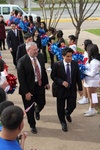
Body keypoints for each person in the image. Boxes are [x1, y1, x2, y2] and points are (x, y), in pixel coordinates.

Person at [17, 42, 50, 134]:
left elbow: (43, 70)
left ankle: (37, 110)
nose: (37, 51)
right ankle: (32, 125)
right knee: (29, 109)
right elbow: (21, 79)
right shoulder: (22, 61)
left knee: (42, 103)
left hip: (39, 85)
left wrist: (46, 83)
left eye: (37, 49)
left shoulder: (40, 57)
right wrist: (26, 92)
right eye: (34, 50)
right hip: (28, 88)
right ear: (28, 50)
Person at [51, 47, 83, 132]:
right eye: (67, 56)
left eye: (71, 56)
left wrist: (80, 88)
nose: (69, 58)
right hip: (61, 89)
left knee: (72, 105)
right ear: (63, 56)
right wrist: (61, 82)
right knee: (60, 107)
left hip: (71, 89)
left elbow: (77, 77)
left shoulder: (75, 64)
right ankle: (63, 122)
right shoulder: (57, 65)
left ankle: (67, 113)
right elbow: (53, 76)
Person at [84, 44, 100, 117]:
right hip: (89, 80)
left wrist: (83, 71)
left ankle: (92, 109)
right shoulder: (92, 60)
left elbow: (92, 73)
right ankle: (91, 108)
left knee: (92, 96)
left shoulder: (95, 62)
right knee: (92, 95)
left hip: (92, 81)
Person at [78, 39, 93, 104]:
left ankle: (93, 107)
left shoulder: (94, 60)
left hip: (92, 79)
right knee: (92, 93)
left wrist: (84, 71)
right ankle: (91, 106)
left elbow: (93, 71)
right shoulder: (87, 54)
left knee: (93, 94)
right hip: (91, 78)